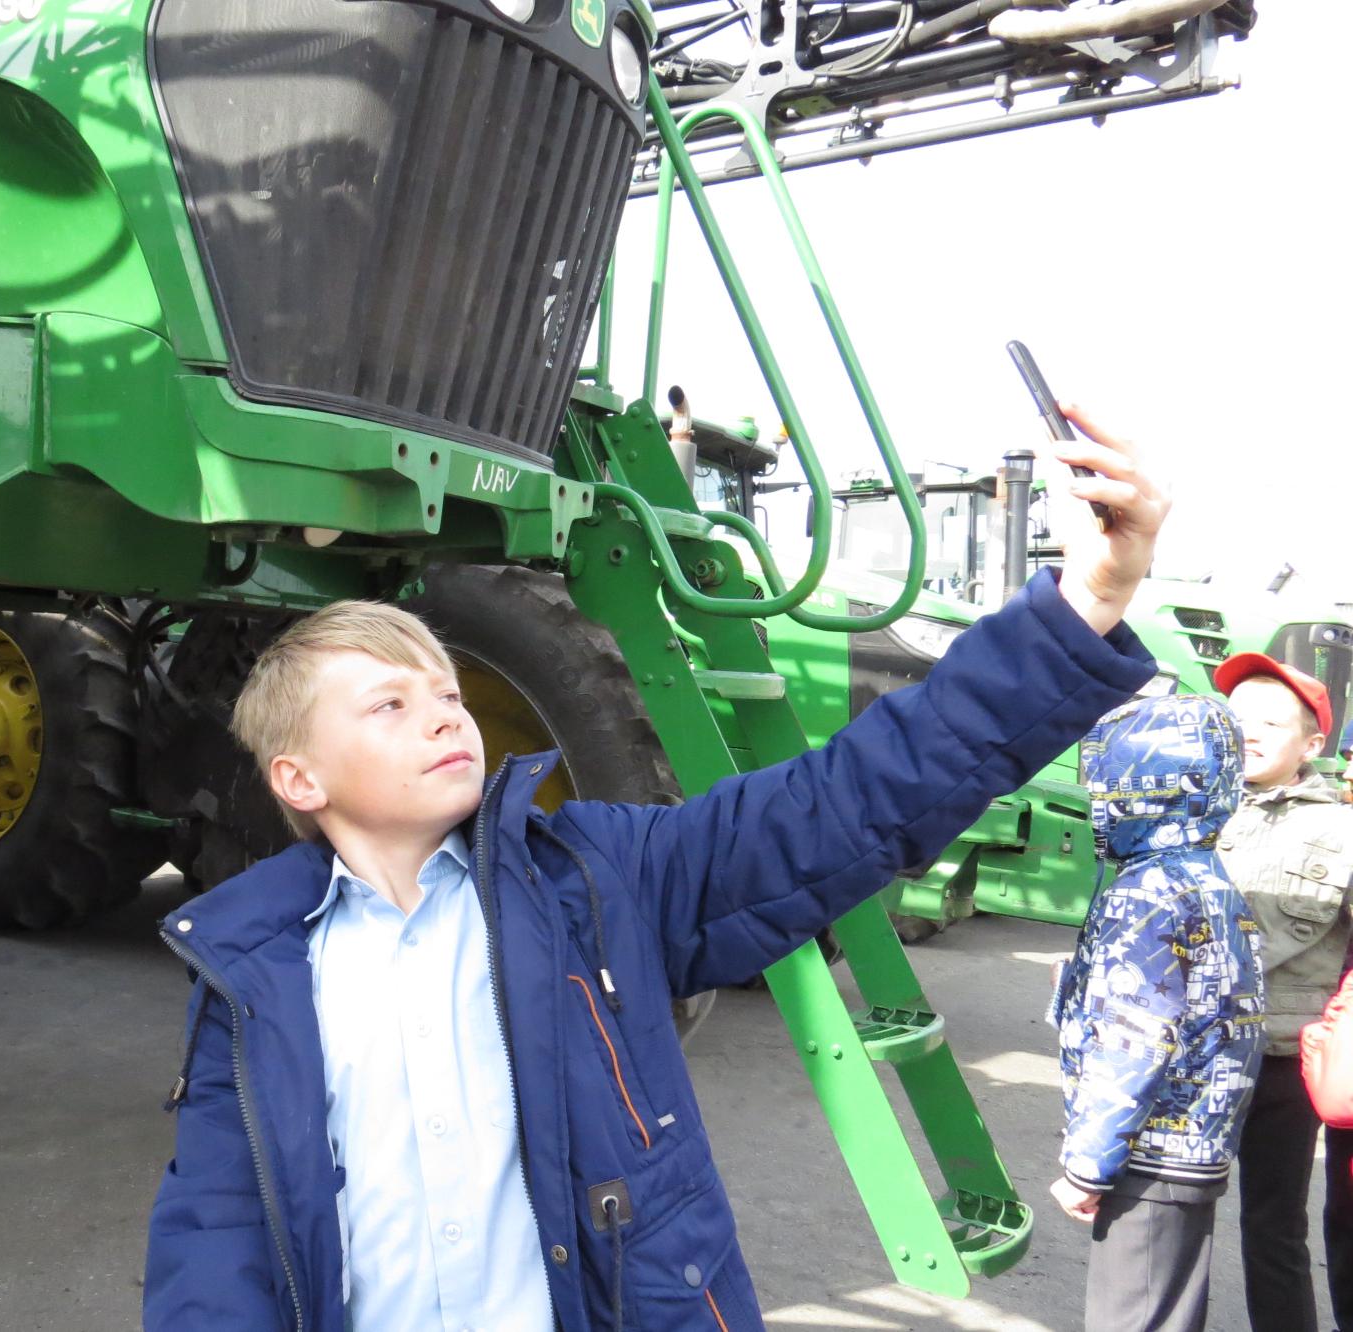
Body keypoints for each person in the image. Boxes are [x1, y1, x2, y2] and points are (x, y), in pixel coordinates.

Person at [143, 406, 1168, 1332]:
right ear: (300, 778)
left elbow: (845, 802)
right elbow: (216, 1233)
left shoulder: (599, 882)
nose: (445, 715)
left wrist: (1080, 604)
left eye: (447, 692)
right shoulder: (248, 969)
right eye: (389, 705)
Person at [1051, 693, 1265, 1332]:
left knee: (1133, 1318)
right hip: (1197, 1147)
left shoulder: (1145, 892)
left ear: (1139, 788)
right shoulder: (1207, 876)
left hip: (1149, 1153)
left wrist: (1087, 1165)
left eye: (1103, 782)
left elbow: (1133, 1040)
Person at [1216, 654, 1353, 1332]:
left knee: (1273, 1226)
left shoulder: (1342, 832)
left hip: (1283, 1062)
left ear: (1311, 744)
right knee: (1168, 1217)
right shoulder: (1188, 810)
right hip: (1192, 1053)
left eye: (1271, 722)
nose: (1249, 732)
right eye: (1237, 718)